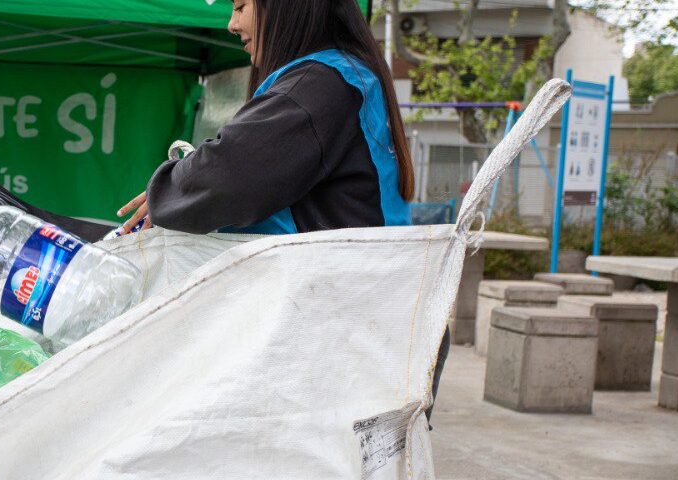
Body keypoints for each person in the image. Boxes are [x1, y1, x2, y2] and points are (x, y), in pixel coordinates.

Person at [117, 0, 451, 412]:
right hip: (376, 329)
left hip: (355, 339)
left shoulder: (318, 87)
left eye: (241, 6)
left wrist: (166, 190)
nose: (232, 24)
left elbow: (223, 178)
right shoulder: (344, 76)